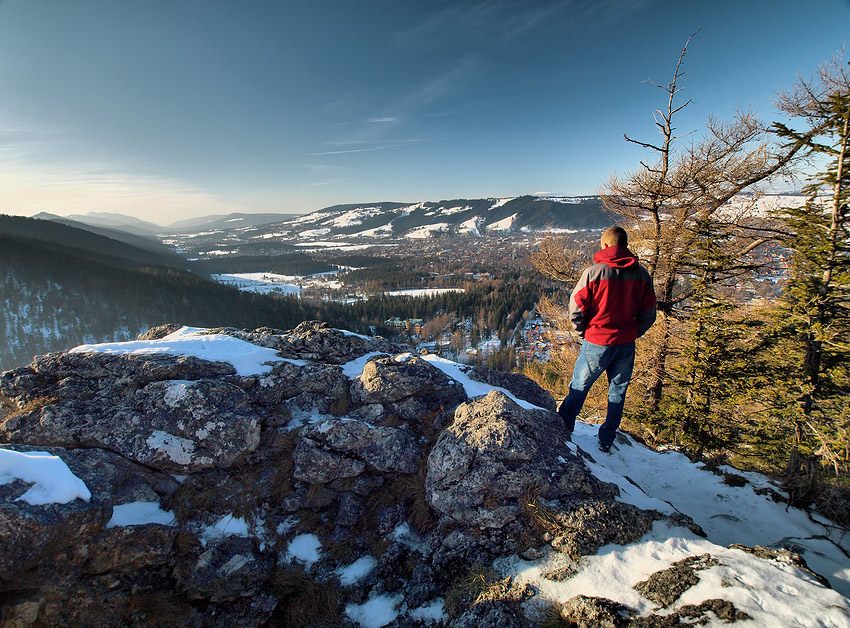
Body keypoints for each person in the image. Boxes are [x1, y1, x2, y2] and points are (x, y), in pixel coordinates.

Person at [557, 226, 657, 452]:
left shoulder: (593, 273)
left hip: (597, 341)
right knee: (618, 392)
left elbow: (576, 308)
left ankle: (563, 426)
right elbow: (650, 312)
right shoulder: (641, 274)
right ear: (626, 245)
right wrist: (633, 332)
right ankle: (606, 439)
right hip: (626, 343)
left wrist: (583, 331)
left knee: (580, 386)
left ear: (604, 245)